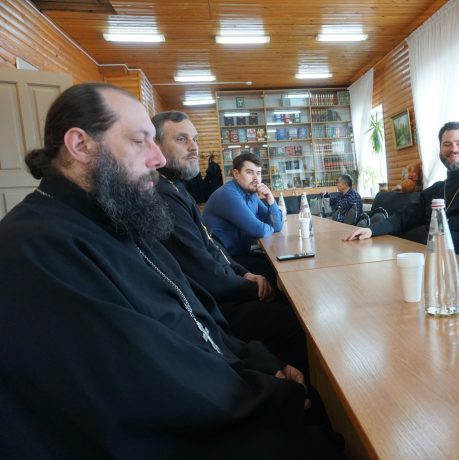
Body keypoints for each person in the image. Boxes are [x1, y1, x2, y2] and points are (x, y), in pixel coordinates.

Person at [0, 83, 342, 458]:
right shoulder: (35, 247)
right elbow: (142, 380)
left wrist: (258, 361)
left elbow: (193, 313)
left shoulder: (116, 217)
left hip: (215, 392)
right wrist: (268, 395)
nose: (158, 158)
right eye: (140, 141)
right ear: (81, 145)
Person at [152, 110, 307, 372]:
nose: (194, 147)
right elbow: (205, 267)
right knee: (296, 318)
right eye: (181, 139)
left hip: (227, 272)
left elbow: (212, 244)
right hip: (210, 306)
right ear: (155, 146)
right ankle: (299, 390)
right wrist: (252, 287)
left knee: (283, 291)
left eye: (195, 139)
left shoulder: (178, 188)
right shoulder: (167, 195)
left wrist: (244, 273)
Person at [344, 121, 459, 262]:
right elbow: (403, 218)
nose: (454, 149)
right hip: (432, 260)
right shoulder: (436, 189)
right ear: (440, 150)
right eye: (447, 144)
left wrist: (454, 262)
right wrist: (371, 229)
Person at [203, 152, 282, 279]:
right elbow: (260, 230)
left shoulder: (251, 194)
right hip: (225, 262)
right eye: (250, 172)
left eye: (258, 173)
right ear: (236, 174)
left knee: (278, 261)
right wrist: (269, 226)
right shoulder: (228, 194)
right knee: (276, 271)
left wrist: (271, 200)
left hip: (241, 255)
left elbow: (277, 226)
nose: (256, 178)